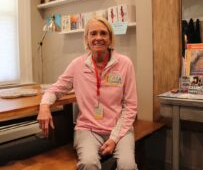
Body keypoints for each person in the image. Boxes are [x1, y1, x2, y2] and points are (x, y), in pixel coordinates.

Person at [37, 17, 138, 170]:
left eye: (103, 33)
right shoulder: (77, 65)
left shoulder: (125, 64)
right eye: (93, 34)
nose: (98, 38)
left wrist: (114, 138)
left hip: (120, 129)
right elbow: (55, 89)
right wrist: (44, 105)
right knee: (88, 164)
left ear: (110, 39)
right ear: (87, 39)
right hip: (88, 130)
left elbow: (130, 106)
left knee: (128, 166)